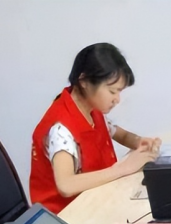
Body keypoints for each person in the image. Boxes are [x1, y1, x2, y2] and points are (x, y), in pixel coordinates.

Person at [30, 43, 161, 213]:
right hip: (66, 214)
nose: (117, 99)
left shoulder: (91, 109)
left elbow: (118, 134)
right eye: (112, 92)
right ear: (84, 81)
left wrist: (139, 142)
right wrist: (123, 168)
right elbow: (66, 185)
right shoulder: (61, 129)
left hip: (94, 201)